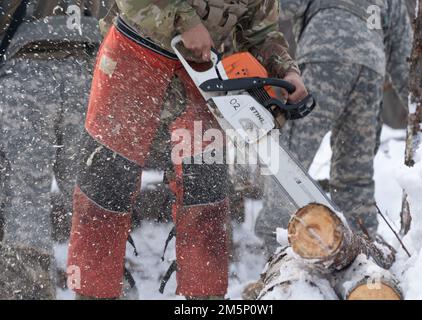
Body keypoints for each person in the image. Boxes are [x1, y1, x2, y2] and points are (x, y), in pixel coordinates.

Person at [66, 0, 308, 300]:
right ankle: (93, 293)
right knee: (106, 182)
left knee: (206, 191)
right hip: (135, 53)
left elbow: (261, 32)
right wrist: (186, 20)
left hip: (203, 72)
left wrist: (285, 70)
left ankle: (204, 298)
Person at [255, 0, 413, 256]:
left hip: (323, 58)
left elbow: (277, 8)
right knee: (355, 173)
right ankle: (362, 253)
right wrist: (421, 111)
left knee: (289, 161)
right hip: (371, 69)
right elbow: (402, 58)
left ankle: (275, 247)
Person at [0, 0, 113, 299]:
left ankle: (28, 289)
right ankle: (103, 285)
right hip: (89, 65)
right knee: (90, 194)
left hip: (25, 64)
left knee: (24, 196)